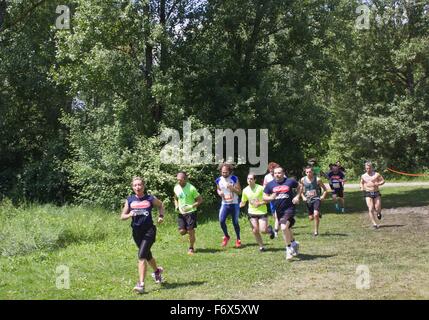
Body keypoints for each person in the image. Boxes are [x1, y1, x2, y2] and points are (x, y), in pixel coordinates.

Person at [120, 177, 165, 294]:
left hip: (149, 230)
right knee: (147, 254)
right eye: (135, 185)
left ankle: (141, 284)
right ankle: (157, 272)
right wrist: (129, 214)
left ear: (143, 186)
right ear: (132, 187)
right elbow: (122, 216)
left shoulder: (150, 198)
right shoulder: (129, 200)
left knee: (141, 256)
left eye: (139, 185)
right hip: (136, 232)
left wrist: (161, 216)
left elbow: (161, 205)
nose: (137, 187)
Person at [263, 166, 302, 260]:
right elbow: (264, 197)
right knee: (287, 228)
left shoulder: (290, 181)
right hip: (279, 211)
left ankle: (288, 249)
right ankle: (293, 243)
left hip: (289, 208)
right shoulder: (270, 185)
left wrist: (297, 196)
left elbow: (300, 187)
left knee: (284, 227)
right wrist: (270, 198)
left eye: (279, 173)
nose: (277, 174)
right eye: (275, 173)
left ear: (283, 173)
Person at [240, 173, 275, 252]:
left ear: (255, 180)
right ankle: (261, 246)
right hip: (251, 212)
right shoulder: (245, 190)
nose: (249, 180)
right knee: (255, 230)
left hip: (262, 212)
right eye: (248, 178)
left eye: (251, 179)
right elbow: (244, 201)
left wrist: (259, 203)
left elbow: (268, 200)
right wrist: (240, 204)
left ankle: (269, 230)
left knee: (263, 230)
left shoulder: (261, 188)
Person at [174, 171, 203, 255]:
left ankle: (191, 248)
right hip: (181, 213)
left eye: (180, 180)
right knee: (182, 232)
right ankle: (191, 232)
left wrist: (191, 206)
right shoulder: (176, 187)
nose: (179, 181)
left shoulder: (191, 188)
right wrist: (176, 206)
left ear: (185, 179)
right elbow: (175, 198)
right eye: (177, 180)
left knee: (190, 231)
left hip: (191, 213)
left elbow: (200, 200)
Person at [215, 163, 242, 248]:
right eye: (223, 172)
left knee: (235, 222)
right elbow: (218, 189)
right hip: (225, 204)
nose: (224, 174)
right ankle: (226, 236)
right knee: (221, 221)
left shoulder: (234, 178)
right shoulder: (218, 180)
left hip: (234, 204)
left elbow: (239, 192)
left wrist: (232, 188)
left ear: (230, 171)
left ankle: (238, 239)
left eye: (226, 172)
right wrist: (220, 193)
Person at [300, 166, 328, 236]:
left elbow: (325, 190)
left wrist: (323, 196)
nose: (309, 173)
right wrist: (303, 197)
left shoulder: (318, 179)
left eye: (310, 172)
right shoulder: (303, 180)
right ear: (305, 173)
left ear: (313, 172)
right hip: (308, 200)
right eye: (307, 172)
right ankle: (318, 214)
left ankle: (316, 231)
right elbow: (300, 190)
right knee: (311, 218)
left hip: (316, 199)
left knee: (315, 214)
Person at [360, 161, 385, 229]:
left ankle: (378, 213)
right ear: (365, 168)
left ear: (372, 167)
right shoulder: (363, 176)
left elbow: (383, 181)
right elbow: (361, 183)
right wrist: (361, 187)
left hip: (376, 192)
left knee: (377, 207)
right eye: (367, 168)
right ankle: (374, 224)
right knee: (370, 208)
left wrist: (379, 184)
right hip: (368, 193)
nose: (368, 169)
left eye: (370, 168)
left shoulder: (376, 174)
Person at [263, 162, 281, 237]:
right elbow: (264, 186)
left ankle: (276, 231)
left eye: (272, 169)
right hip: (271, 198)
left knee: (277, 215)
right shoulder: (267, 177)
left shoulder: (281, 175)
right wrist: (266, 194)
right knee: (274, 215)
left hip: (280, 197)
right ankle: (279, 225)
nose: (270, 171)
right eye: (269, 170)